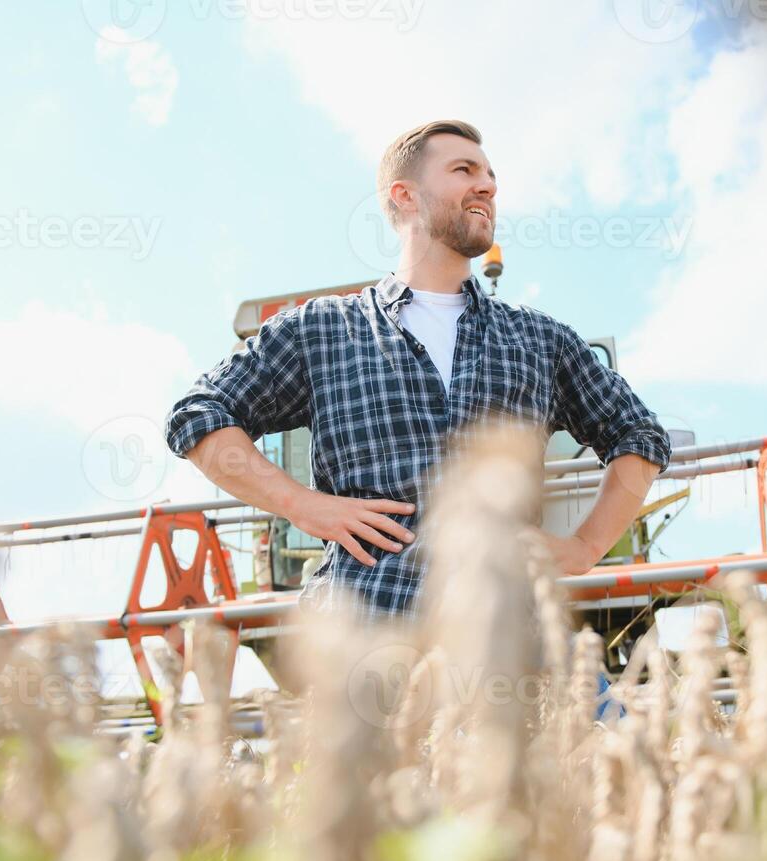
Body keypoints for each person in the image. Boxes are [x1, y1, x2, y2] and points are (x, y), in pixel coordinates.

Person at [165, 119, 671, 622]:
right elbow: (198, 414)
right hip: (362, 643)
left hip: (506, 650)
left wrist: (584, 548)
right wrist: (301, 504)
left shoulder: (541, 339)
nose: (488, 185)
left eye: (491, 175)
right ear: (405, 196)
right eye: (464, 169)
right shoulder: (320, 330)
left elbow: (639, 434)